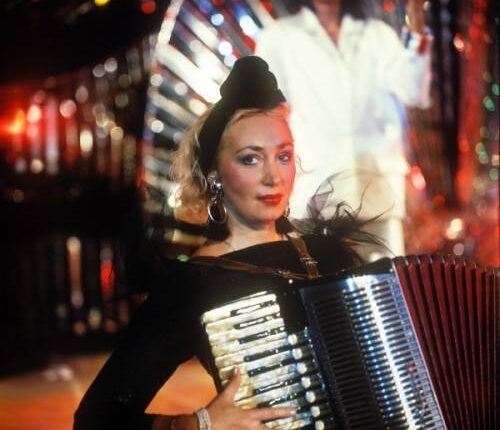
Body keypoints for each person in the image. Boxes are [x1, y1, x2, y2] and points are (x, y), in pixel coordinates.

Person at [74, 56, 376, 430]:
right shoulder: (196, 283)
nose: (273, 176)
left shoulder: (329, 253)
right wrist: (198, 424)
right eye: (250, 159)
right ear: (215, 174)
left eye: (283, 156)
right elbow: (96, 418)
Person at [255, 0, 432, 259]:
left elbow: (414, 92)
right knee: (323, 280)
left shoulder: (377, 34)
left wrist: (416, 28)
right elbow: (266, 113)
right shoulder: (278, 37)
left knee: (386, 280)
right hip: (316, 190)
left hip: (378, 190)